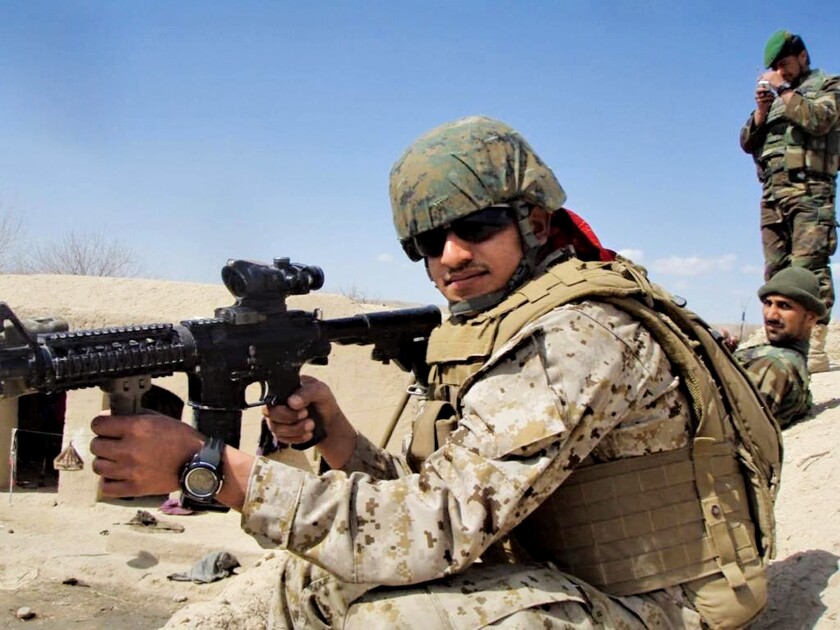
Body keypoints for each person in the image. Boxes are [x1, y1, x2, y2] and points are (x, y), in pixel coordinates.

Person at [90, 116, 778, 629]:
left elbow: (437, 529)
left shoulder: (577, 335)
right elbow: (451, 501)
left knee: (390, 623)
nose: (450, 255)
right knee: (316, 575)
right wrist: (340, 440)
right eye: (427, 240)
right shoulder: (509, 320)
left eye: (475, 226)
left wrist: (211, 469)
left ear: (533, 221)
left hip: (668, 604)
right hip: (580, 575)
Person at [739, 29, 840, 373]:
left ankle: (815, 347)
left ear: (802, 57)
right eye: (776, 68)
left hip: (810, 191)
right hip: (773, 193)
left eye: (785, 64)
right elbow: (747, 142)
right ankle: (783, 345)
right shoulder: (778, 99)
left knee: (809, 267)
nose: (780, 72)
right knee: (777, 273)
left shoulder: (827, 85)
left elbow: (822, 120)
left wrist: (784, 91)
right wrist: (761, 111)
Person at [734, 267, 825, 428]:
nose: (770, 315)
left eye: (784, 306)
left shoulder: (774, 365)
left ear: (810, 318)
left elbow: (736, 429)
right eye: (768, 304)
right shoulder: (775, 354)